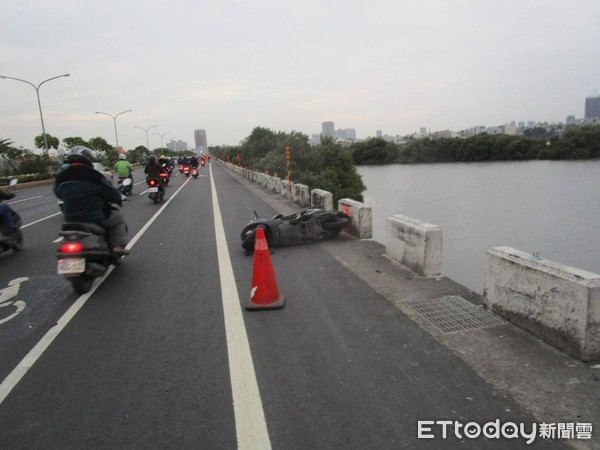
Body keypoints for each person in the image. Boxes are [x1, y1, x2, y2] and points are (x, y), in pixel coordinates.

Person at [54, 146, 129, 254]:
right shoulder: (94, 175)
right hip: (94, 218)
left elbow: (58, 193)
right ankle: (117, 246)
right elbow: (111, 193)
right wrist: (118, 198)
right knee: (117, 217)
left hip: (70, 219)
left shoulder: (61, 177)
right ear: (88, 159)